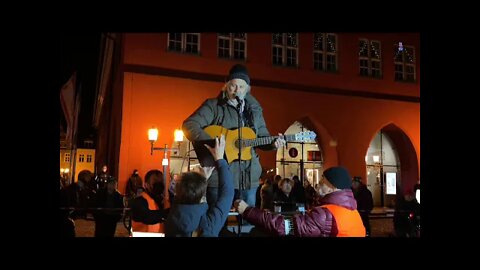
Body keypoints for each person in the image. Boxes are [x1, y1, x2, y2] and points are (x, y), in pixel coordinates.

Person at [182, 64, 286, 208]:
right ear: (226, 86)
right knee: (218, 220)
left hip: (249, 179)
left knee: (247, 221)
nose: (237, 90)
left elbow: (262, 136)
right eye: (233, 86)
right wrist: (214, 144)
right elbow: (189, 125)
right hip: (219, 178)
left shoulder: (254, 111)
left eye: (241, 87)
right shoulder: (213, 106)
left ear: (247, 89)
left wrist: (273, 144)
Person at [234, 166, 366, 237]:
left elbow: (283, 227)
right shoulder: (352, 211)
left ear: (334, 187)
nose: (317, 185)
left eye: (322, 182)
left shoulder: (324, 214)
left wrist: (247, 210)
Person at [164, 135, 234, 237]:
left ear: (177, 192)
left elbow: (227, 194)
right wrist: (220, 160)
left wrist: (202, 181)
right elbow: (227, 193)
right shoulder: (209, 224)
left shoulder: (171, 218)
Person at [130, 169, 168, 234]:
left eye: (160, 182)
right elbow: (147, 217)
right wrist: (167, 212)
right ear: (146, 185)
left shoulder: (161, 200)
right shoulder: (139, 201)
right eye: (155, 183)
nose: (158, 186)